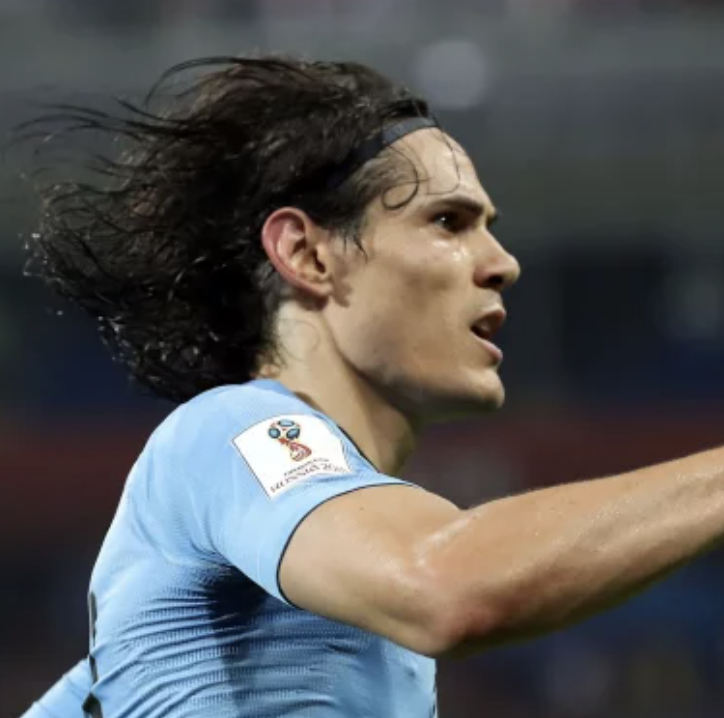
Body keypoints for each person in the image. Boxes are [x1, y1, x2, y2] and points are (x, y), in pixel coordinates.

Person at [19, 55, 724, 718]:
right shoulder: (233, 428)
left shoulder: (343, 597)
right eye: (448, 221)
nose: (502, 263)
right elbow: (445, 584)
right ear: (306, 254)